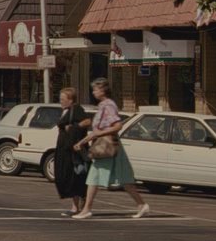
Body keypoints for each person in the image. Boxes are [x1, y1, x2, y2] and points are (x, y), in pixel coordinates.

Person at [72, 78, 150, 219]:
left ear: (103, 90)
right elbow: (97, 130)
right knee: (124, 178)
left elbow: (117, 126)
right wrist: (83, 141)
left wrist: (94, 136)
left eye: (96, 89)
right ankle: (141, 204)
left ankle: (87, 209)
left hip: (107, 146)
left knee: (93, 178)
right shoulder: (103, 105)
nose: (94, 92)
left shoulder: (108, 105)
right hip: (106, 145)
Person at [54, 88, 92, 216]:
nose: (60, 101)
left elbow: (87, 121)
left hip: (73, 152)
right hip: (64, 150)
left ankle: (76, 207)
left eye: (63, 99)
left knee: (74, 176)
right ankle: (78, 204)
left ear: (70, 100)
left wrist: (74, 127)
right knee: (64, 177)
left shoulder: (77, 109)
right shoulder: (66, 111)